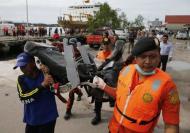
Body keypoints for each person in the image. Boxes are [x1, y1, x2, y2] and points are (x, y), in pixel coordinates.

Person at [92, 37, 180, 133]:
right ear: (136, 58)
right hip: (114, 128)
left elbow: (171, 125)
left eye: (153, 56)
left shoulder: (167, 85)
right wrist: (103, 86)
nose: (148, 61)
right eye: (143, 56)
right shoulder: (126, 70)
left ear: (159, 57)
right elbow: (119, 95)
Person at [13, 52, 58, 133]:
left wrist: (51, 72)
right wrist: (42, 85)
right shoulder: (21, 79)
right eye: (20, 67)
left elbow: (57, 89)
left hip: (48, 118)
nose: (22, 69)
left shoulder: (46, 74)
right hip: (32, 120)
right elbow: (23, 96)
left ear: (33, 62)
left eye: (24, 66)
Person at [91, 37, 113, 125]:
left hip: (110, 78)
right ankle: (97, 115)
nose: (106, 46)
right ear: (102, 44)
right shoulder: (99, 53)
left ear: (110, 45)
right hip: (100, 78)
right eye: (104, 44)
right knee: (97, 95)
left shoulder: (113, 54)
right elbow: (95, 64)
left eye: (107, 44)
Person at [63, 38, 83, 120]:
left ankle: (68, 111)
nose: (72, 46)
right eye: (70, 44)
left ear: (75, 45)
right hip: (70, 73)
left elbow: (83, 63)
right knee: (72, 90)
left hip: (78, 74)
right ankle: (79, 93)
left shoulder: (79, 53)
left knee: (71, 92)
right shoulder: (67, 53)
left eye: (73, 44)